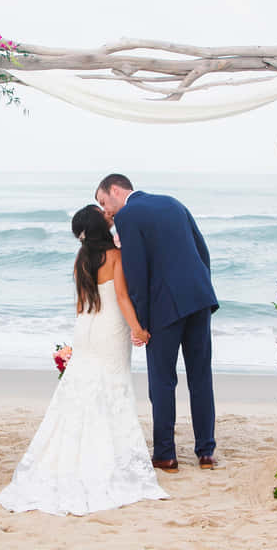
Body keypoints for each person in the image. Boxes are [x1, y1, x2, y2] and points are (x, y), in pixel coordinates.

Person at [0, 205, 167, 515]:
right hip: (110, 329)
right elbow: (122, 297)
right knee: (113, 387)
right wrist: (138, 329)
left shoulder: (80, 260)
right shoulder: (115, 257)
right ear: (101, 226)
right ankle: (108, 457)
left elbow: (81, 302)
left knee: (82, 389)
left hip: (85, 328)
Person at [95, 174, 218, 473]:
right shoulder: (173, 203)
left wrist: (141, 323)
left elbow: (136, 273)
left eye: (102, 201)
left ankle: (165, 455)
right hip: (199, 298)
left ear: (115, 190)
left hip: (165, 308)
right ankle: (206, 453)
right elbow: (202, 251)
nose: (105, 209)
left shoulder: (127, 215)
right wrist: (202, 287)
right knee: (201, 376)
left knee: (162, 382)